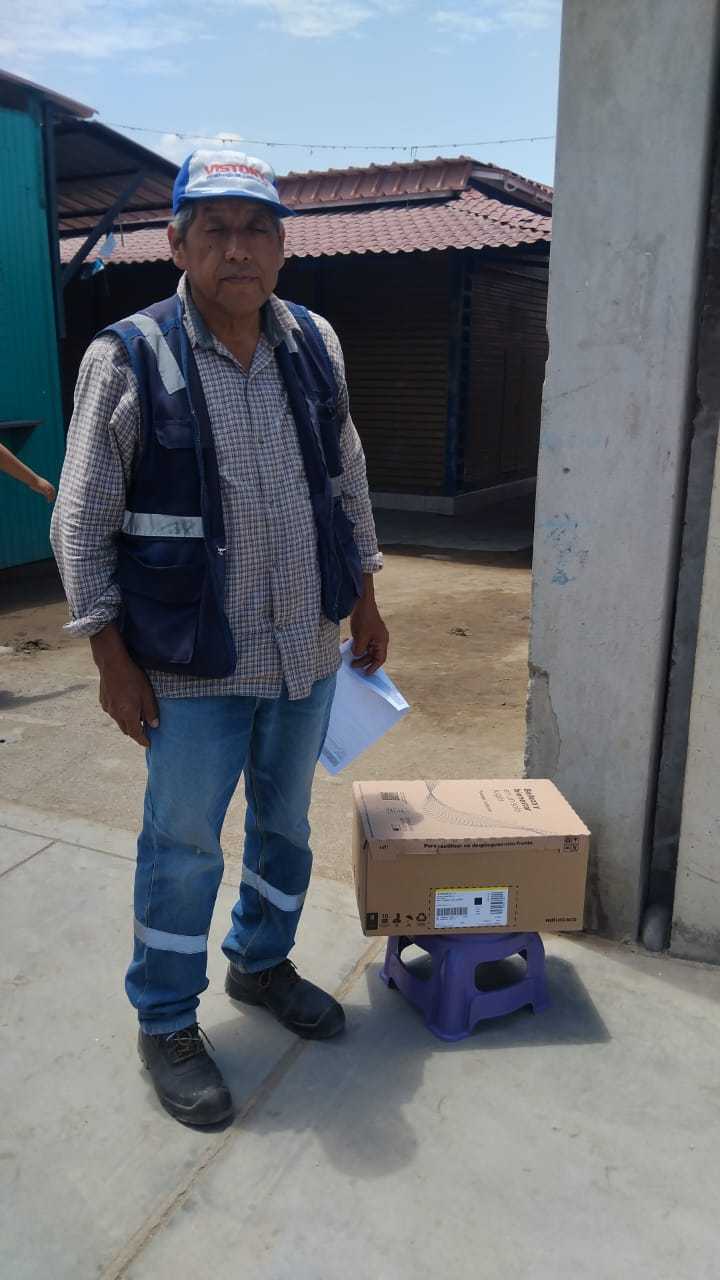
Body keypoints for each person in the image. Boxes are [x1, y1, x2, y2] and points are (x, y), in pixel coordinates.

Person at [50, 150, 388, 1128]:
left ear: (282, 246)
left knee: (286, 826)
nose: (238, 249)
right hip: (190, 663)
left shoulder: (314, 343)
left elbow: (347, 478)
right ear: (178, 243)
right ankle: (164, 1018)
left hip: (303, 649)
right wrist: (108, 657)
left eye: (256, 230)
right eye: (216, 229)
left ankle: (261, 962)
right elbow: (79, 522)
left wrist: (366, 599)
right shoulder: (127, 357)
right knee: (185, 844)